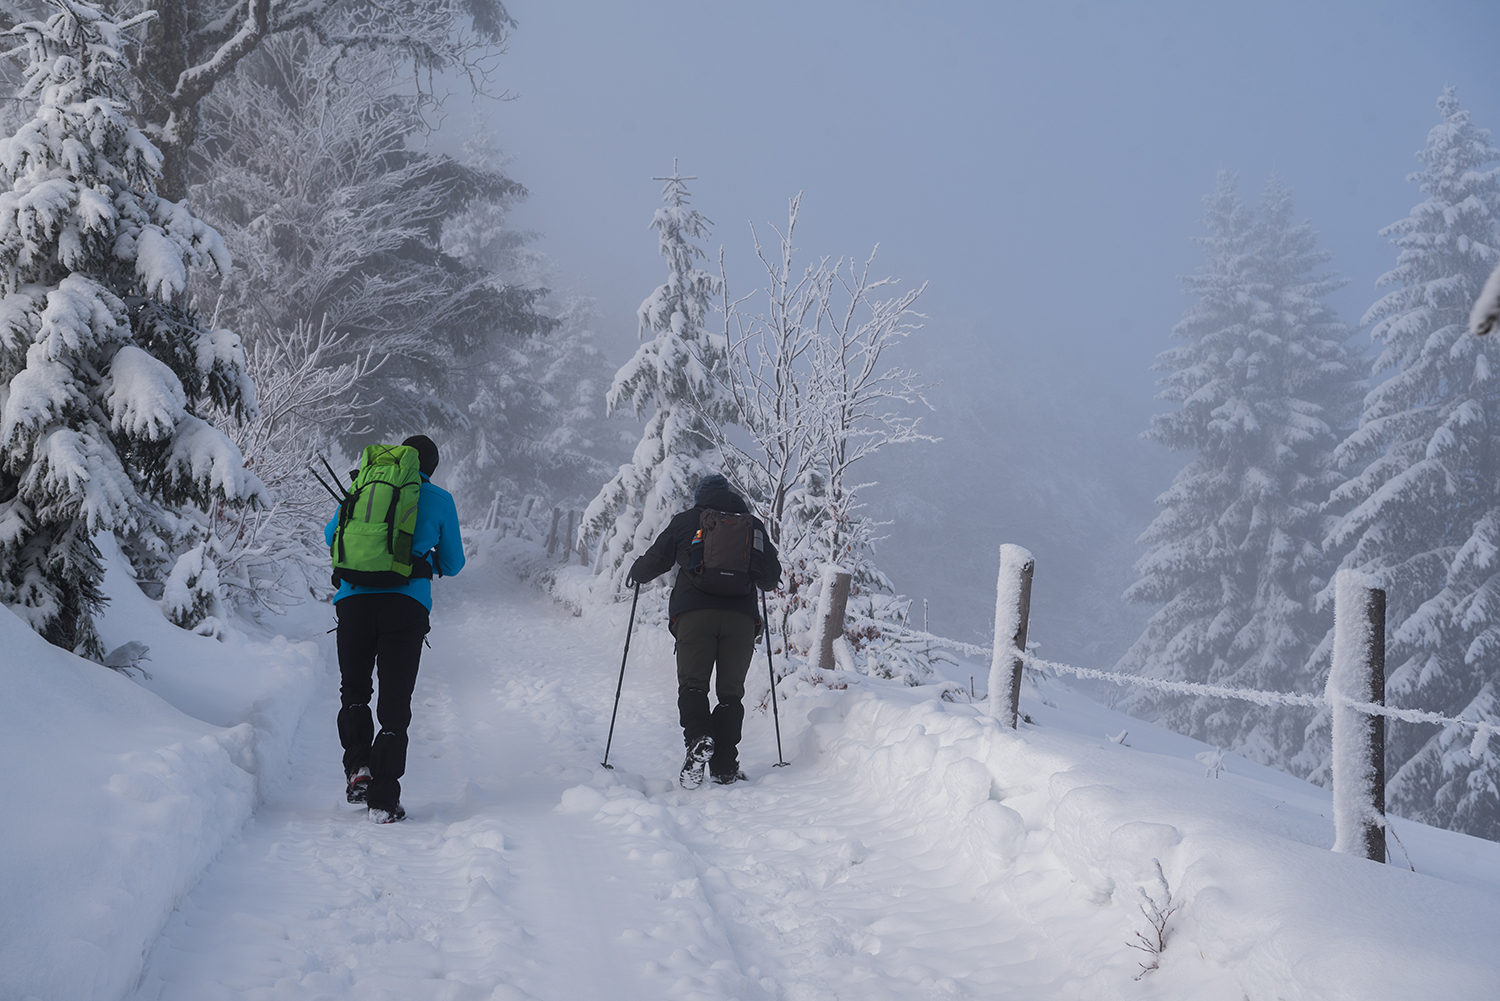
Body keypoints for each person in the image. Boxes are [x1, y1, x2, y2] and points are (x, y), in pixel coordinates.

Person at [325, 434, 465, 823]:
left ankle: (359, 769)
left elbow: (329, 536)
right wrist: (421, 562)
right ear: (432, 468)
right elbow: (453, 563)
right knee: (394, 703)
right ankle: (384, 800)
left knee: (354, 690)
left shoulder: (364, 484)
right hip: (405, 605)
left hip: (353, 600)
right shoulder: (438, 499)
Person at [629, 474, 782, 788]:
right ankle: (725, 767)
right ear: (729, 497)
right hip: (740, 621)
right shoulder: (751, 525)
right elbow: (770, 578)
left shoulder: (687, 521)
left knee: (694, 685)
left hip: (694, 616)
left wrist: (636, 571)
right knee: (730, 694)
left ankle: (699, 739)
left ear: (699, 497)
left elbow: (656, 561)